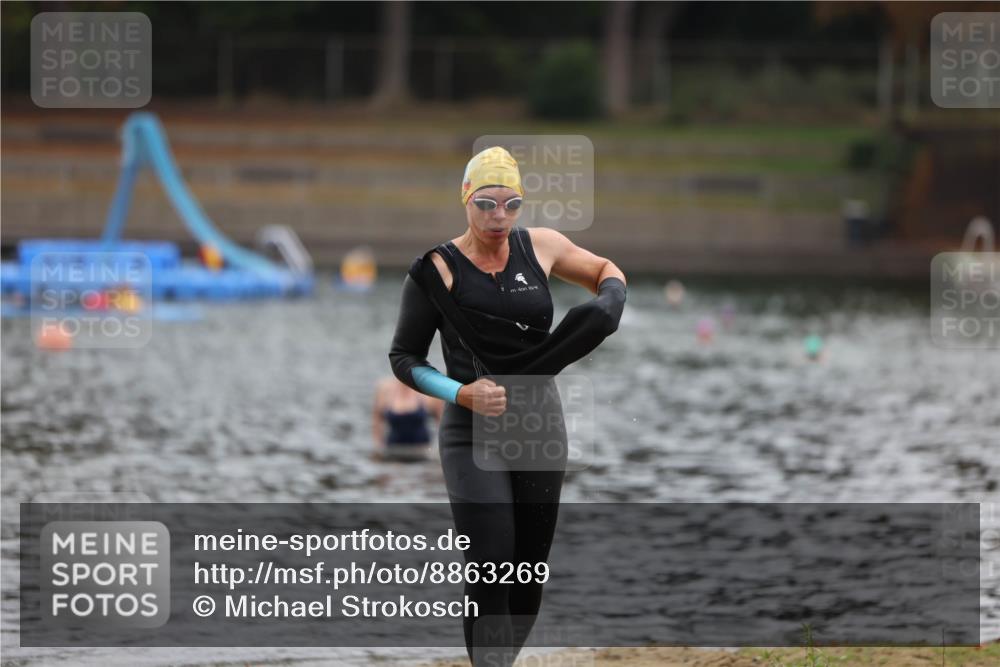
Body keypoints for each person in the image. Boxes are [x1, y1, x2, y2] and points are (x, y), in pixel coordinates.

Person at [388, 146, 626, 666]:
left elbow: (605, 269)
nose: (499, 217)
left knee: (527, 572)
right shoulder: (436, 270)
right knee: (491, 565)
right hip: (471, 428)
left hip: (540, 423)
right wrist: (460, 392)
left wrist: (611, 300)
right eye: (487, 204)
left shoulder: (540, 246)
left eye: (511, 204)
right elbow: (404, 358)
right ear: (465, 200)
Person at [371, 376, 443, 461]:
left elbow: (442, 423)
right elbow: (376, 423)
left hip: (422, 452)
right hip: (393, 451)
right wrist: (379, 447)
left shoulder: (428, 389)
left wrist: (440, 451)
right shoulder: (385, 389)